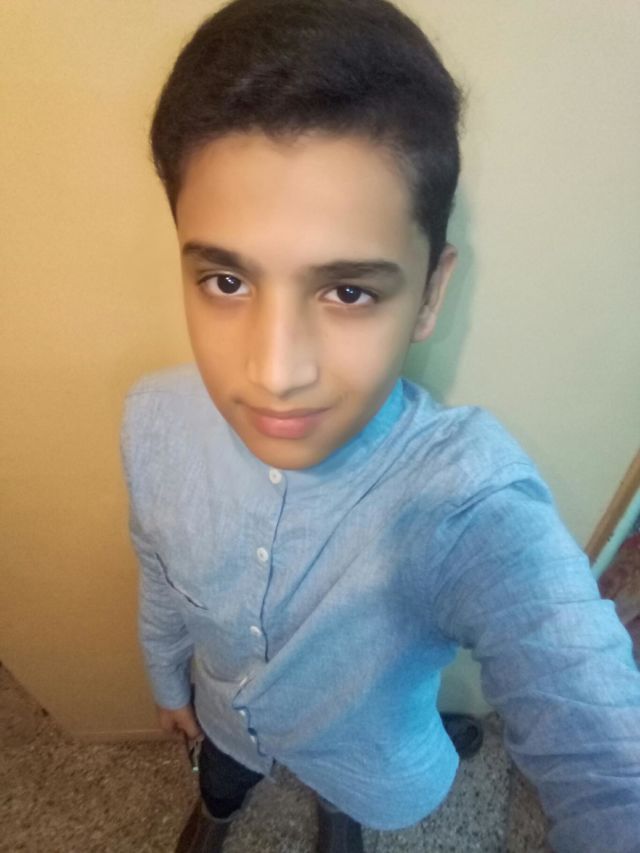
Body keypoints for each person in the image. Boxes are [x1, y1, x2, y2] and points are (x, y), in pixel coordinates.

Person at [119, 1, 640, 851]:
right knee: (222, 784)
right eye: (226, 282)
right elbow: (157, 571)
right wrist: (165, 680)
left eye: (348, 291)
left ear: (430, 294)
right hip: (224, 721)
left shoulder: (462, 497)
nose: (275, 371)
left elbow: (606, 748)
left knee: (347, 807)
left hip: (370, 765)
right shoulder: (152, 420)